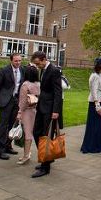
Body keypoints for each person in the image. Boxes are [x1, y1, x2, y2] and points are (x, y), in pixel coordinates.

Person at [30, 50, 63, 178]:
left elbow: (58, 92)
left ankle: (45, 166)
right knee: (36, 132)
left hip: (50, 109)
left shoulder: (54, 70)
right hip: (41, 106)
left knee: (46, 136)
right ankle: (47, 158)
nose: (37, 66)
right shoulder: (43, 70)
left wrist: (56, 110)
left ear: (44, 59)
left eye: (38, 63)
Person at [0, 53, 24, 159]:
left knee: (12, 125)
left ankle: (8, 146)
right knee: (3, 125)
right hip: (5, 101)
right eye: (16, 61)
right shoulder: (4, 70)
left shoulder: (22, 70)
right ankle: (0, 150)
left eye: (19, 61)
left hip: (16, 100)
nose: (18, 63)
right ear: (11, 61)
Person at [80, 58, 101, 153]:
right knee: (95, 126)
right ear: (100, 66)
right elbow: (94, 91)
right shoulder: (95, 76)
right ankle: (92, 146)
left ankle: (98, 144)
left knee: (99, 126)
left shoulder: (99, 75)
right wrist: (97, 106)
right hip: (96, 103)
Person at [16, 65, 40, 165]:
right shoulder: (38, 84)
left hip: (27, 112)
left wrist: (19, 113)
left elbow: (23, 101)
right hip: (36, 111)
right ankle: (28, 153)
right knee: (33, 133)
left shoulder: (25, 85)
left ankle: (26, 155)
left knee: (27, 134)